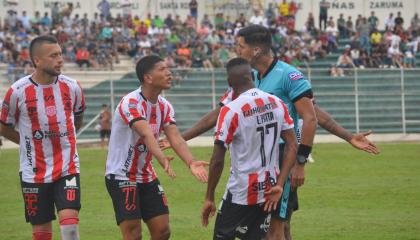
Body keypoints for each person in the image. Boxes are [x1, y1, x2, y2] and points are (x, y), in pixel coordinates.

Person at [159, 25, 379, 240]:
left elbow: (312, 116)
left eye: (240, 46)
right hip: (256, 168)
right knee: (270, 229)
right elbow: (220, 113)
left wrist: (301, 163)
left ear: (256, 50)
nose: (237, 50)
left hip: (283, 161)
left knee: (277, 228)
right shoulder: (248, 76)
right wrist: (180, 138)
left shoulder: (289, 76)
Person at [104, 55, 209, 240]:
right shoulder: (131, 102)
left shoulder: (165, 106)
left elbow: (175, 137)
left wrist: (191, 162)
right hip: (122, 175)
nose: (169, 73)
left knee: (163, 231)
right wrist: (161, 159)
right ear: (148, 78)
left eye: (168, 69)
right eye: (162, 69)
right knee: (133, 234)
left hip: (146, 175)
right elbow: (145, 133)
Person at [201, 58, 298, 239]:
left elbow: (217, 159)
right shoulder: (277, 103)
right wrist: (279, 183)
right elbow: (293, 145)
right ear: (252, 76)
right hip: (269, 188)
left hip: (241, 191)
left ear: (230, 83)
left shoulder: (231, 110)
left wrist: (209, 197)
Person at [0, 35, 85, 240]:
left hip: (67, 167)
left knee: (70, 226)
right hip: (33, 171)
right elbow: (3, 126)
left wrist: (68, 138)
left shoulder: (72, 87)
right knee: (41, 234)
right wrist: (26, 142)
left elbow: (78, 116)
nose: (60, 59)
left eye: (60, 54)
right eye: (53, 55)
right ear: (37, 61)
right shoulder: (17, 92)